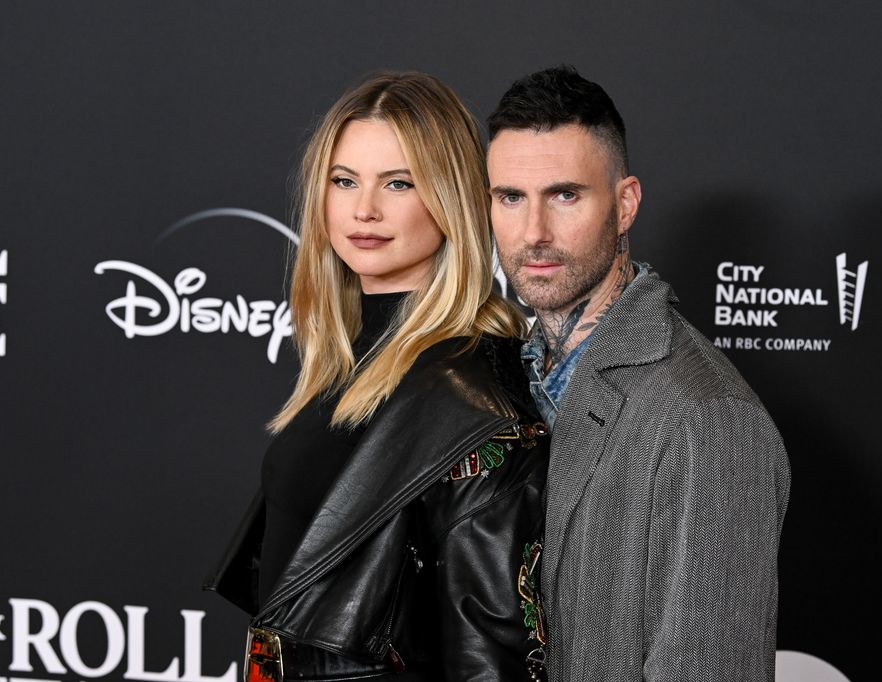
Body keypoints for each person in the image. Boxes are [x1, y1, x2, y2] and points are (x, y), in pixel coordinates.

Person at [205, 72, 549, 681]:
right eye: (344, 181)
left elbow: (490, 656)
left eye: (398, 183)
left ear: (451, 197)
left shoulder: (475, 399)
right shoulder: (348, 356)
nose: (364, 209)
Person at [486, 65, 791, 681]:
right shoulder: (501, 377)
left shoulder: (706, 420)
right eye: (511, 197)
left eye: (565, 195)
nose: (533, 233)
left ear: (625, 204)